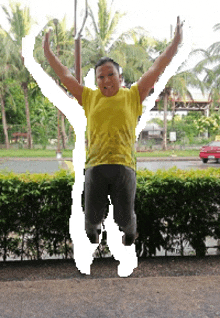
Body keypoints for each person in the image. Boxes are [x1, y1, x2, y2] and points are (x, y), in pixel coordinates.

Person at [43, 16, 183, 249]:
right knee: (91, 216)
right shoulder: (89, 96)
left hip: (124, 166)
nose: (106, 80)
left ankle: (130, 232)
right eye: (101, 76)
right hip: (96, 166)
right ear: (96, 80)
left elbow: (158, 66)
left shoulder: (133, 95)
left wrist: (176, 43)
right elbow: (66, 77)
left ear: (120, 77)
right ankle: (93, 232)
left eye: (111, 75)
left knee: (124, 216)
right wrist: (48, 54)